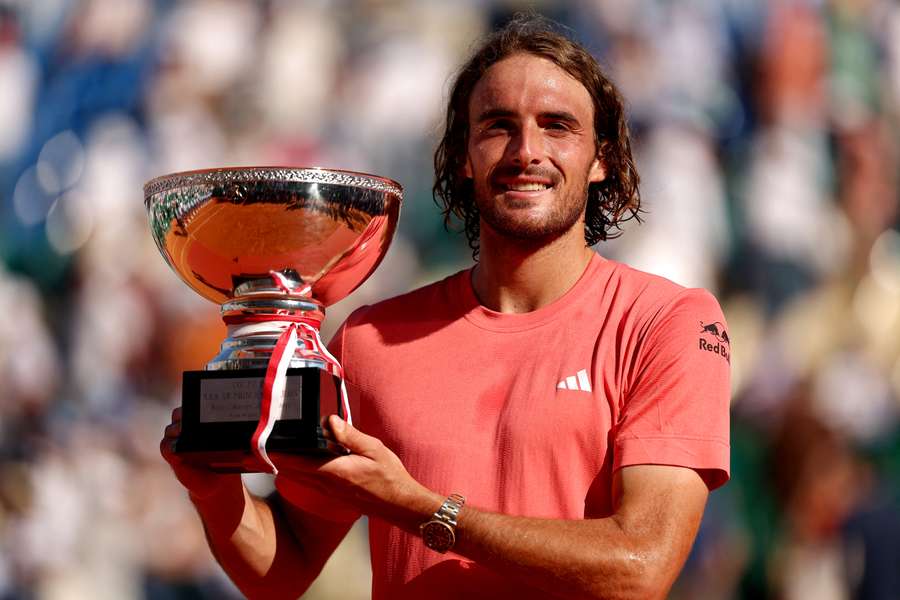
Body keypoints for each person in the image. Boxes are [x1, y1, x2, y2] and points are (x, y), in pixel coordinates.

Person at [161, 16, 731, 600]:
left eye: (556, 126)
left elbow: (640, 566)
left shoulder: (670, 322)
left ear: (601, 158)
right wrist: (212, 489)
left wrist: (423, 510)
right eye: (498, 126)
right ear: (464, 155)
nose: (527, 151)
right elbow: (282, 569)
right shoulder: (371, 339)